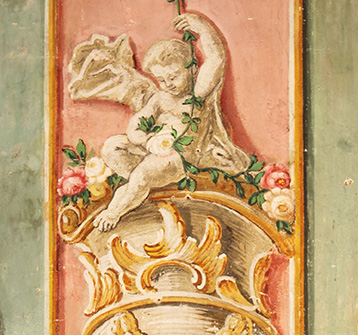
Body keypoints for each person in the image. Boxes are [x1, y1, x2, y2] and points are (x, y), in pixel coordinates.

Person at [92, 12, 249, 231]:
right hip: (154, 151)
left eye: (174, 77)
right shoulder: (160, 98)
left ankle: (115, 210)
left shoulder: (197, 95)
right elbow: (136, 124)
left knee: (143, 173)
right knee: (112, 147)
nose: (168, 84)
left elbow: (216, 59)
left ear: (192, 69)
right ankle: (140, 187)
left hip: (182, 158)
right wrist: (147, 140)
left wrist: (202, 28)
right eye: (161, 79)